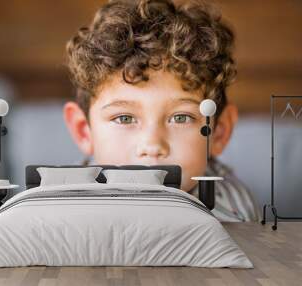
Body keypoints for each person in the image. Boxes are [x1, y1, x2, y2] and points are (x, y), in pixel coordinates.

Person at [62, 0, 260, 222]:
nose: (152, 146)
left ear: (219, 132)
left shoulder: (233, 216)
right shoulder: (58, 212)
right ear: (84, 131)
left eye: (181, 117)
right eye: (124, 118)